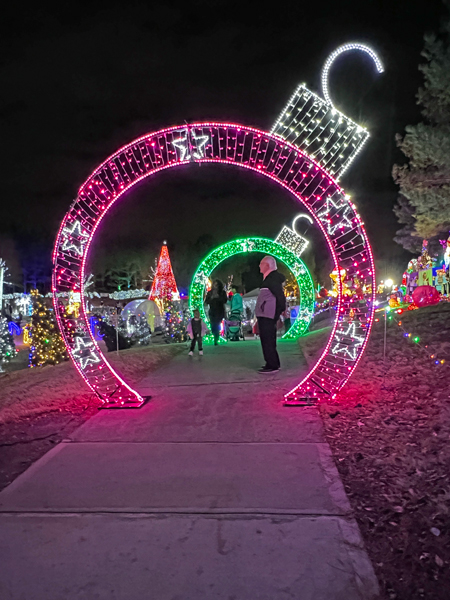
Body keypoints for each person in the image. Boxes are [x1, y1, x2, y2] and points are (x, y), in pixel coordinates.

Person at [255, 256, 286, 373]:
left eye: (261, 263)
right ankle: (270, 363)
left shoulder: (272, 279)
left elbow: (279, 296)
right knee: (266, 339)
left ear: (267, 266)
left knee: (268, 339)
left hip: (267, 315)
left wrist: (279, 310)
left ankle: (272, 364)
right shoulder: (269, 279)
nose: (259, 266)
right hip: (266, 314)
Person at [205, 279, 228, 345]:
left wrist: (218, 298)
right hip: (212, 311)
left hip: (219, 310)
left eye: (217, 285)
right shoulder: (210, 293)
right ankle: (215, 335)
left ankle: (216, 338)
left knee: (217, 324)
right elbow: (207, 301)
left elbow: (224, 300)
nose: (216, 286)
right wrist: (211, 298)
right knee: (213, 324)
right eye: (214, 284)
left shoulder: (222, 292)